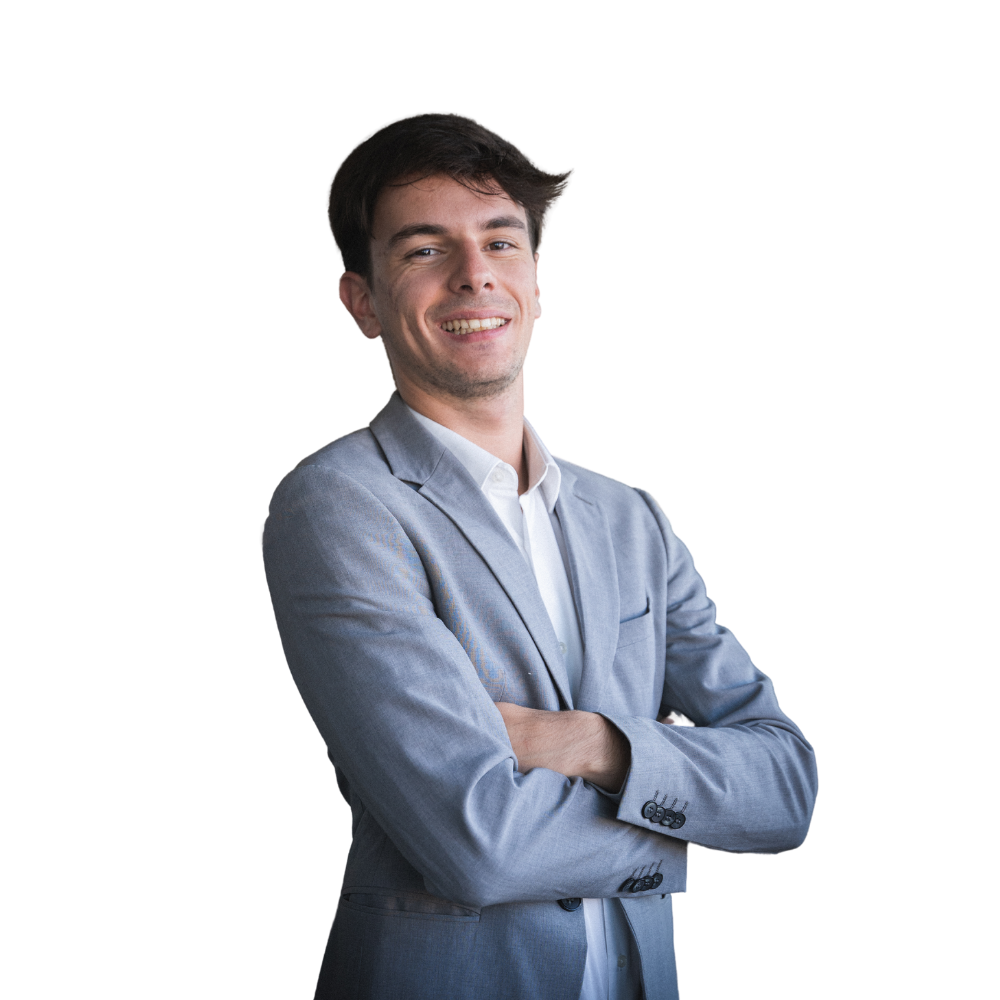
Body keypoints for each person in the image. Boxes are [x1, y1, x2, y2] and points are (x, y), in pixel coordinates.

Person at [260, 111, 818, 1000]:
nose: (474, 273)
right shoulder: (337, 505)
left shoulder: (632, 517)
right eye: (423, 249)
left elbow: (786, 788)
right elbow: (480, 843)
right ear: (362, 303)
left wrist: (592, 743)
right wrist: (697, 813)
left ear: (536, 280)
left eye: (500, 242)